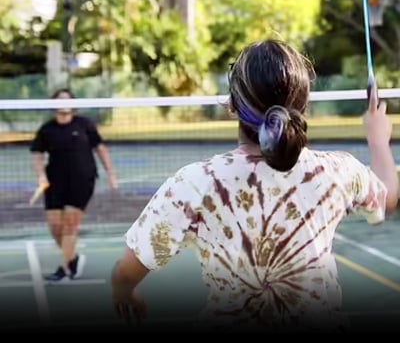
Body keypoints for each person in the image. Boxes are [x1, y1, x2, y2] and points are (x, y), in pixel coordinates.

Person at [111, 40, 398, 332]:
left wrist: (125, 294)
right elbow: (386, 198)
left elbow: (125, 274)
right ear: (304, 106)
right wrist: (377, 139)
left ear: (232, 106)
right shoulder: (337, 171)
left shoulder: (194, 183)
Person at [30, 88, 118, 282]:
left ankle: (65, 269)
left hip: (82, 180)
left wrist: (111, 174)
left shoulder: (85, 125)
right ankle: (72, 258)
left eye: (67, 100)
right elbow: (36, 155)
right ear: (52, 105)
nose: (63, 103)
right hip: (54, 182)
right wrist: (41, 176)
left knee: (70, 225)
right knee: (55, 227)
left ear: (73, 104)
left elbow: (101, 149)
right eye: (59, 100)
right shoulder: (46, 129)